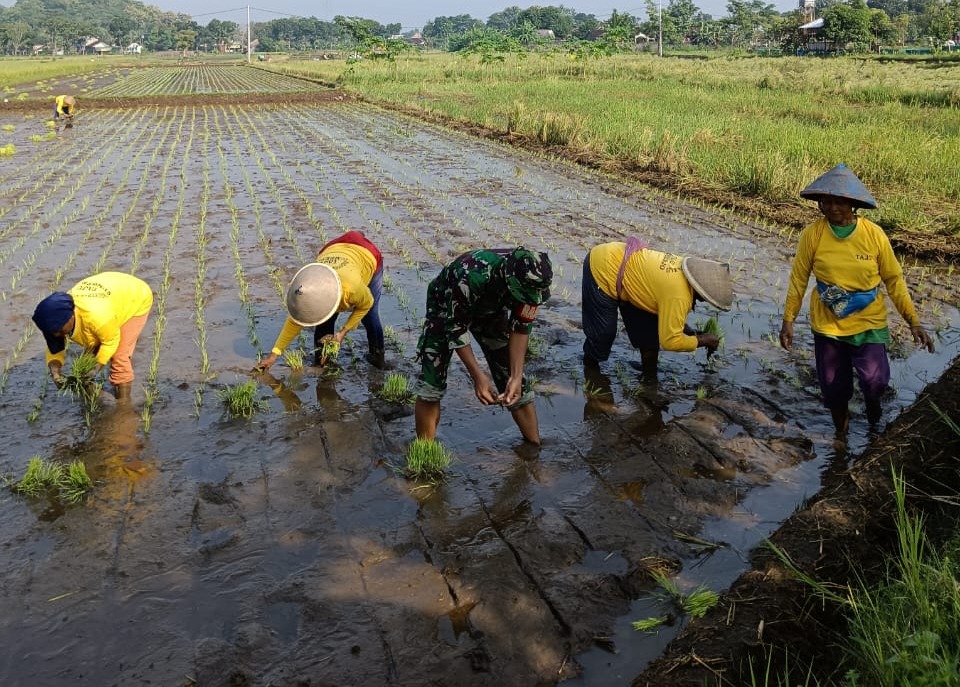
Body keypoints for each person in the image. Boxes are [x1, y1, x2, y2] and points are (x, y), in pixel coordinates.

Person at [779, 164, 935, 437]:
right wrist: (788, 319)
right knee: (833, 388)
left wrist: (914, 322)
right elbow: (799, 279)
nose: (833, 207)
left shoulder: (874, 235)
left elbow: (894, 280)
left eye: (840, 201)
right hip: (828, 324)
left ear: (853, 204)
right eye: (826, 201)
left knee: (875, 381)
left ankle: (872, 402)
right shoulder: (813, 235)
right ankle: (842, 434)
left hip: (868, 322)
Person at [413, 247, 552, 446]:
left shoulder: (533, 286)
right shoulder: (470, 275)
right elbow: (457, 329)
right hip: (445, 307)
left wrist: (515, 375)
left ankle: (534, 447)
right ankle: (425, 450)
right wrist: (478, 376)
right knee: (432, 382)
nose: (528, 299)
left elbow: (521, 328)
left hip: (491, 312)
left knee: (517, 385)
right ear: (508, 278)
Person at [581, 238, 733, 376]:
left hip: (633, 278)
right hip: (603, 266)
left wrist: (690, 332)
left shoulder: (681, 277)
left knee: (649, 339)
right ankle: (591, 372)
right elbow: (671, 341)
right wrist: (703, 340)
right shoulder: (679, 295)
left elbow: (668, 313)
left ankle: (649, 378)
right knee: (603, 334)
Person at [257, 230, 386, 371]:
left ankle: (377, 357)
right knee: (324, 319)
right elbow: (294, 322)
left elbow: (366, 304)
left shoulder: (351, 288)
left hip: (366, 254)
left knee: (370, 316)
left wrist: (342, 333)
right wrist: (273, 355)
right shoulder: (308, 287)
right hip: (331, 249)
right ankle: (322, 363)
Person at [32, 272, 153, 400]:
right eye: (52, 331)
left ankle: (123, 405)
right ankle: (92, 398)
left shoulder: (96, 316)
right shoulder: (54, 320)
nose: (56, 334)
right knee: (87, 359)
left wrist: (95, 369)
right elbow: (55, 348)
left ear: (71, 316)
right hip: (109, 293)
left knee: (119, 355)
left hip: (135, 297)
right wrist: (55, 372)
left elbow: (110, 342)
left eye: (59, 329)